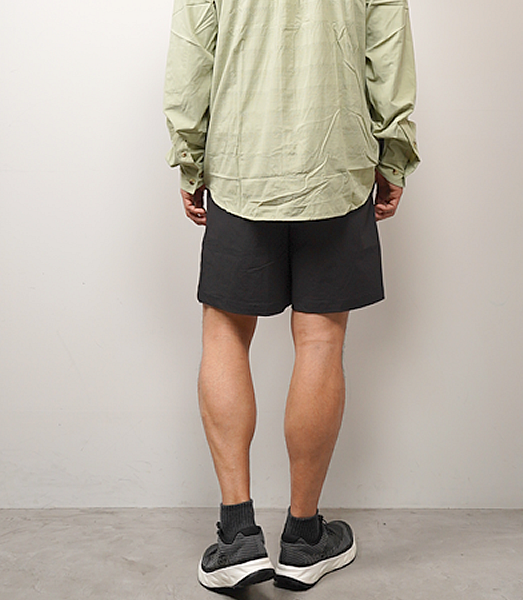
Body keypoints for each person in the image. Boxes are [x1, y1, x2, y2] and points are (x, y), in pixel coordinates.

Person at [163, 0, 419, 591]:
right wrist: (395, 155)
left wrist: (190, 158)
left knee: (225, 334)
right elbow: (389, 54)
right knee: (321, 341)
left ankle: (237, 539)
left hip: (241, 165)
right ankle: (303, 539)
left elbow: (191, 55)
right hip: (336, 165)